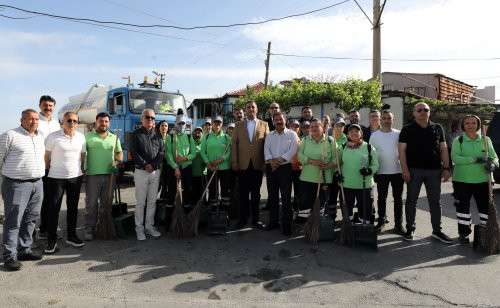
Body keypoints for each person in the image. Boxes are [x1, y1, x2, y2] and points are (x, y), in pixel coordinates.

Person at [398, 102, 452, 243]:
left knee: (435, 202)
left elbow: (444, 149)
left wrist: (446, 168)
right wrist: (404, 170)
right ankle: (410, 229)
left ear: (429, 112)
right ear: (414, 113)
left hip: (434, 171)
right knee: (411, 201)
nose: (423, 111)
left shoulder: (438, 128)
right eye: (419, 110)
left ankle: (437, 231)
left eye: (426, 109)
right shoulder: (407, 129)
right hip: (414, 171)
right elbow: (401, 151)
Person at [0, 109, 45, 271]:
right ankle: (9, 256)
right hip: (16, 184)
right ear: (22, 120)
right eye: (30, 119)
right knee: (13, 221)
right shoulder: (10, 135)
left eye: (36, 119)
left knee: (31, 218)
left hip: (37, 183)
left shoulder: (40, 137)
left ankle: (24, 249)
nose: (34, 121)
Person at [451, 115, 498, 244]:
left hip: (483, 180)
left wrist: (493, 164)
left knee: (484, 209)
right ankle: (464, 234)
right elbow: (455, 158)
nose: (470, 125)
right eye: (467, 123)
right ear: (463, 126)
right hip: (462, 181)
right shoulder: (458, 140)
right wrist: (475, 159)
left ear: (478, 125)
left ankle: (484, 233)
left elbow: (495, 157)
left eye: (473, 123)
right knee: (463, 209)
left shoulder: (486, 140)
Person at [44, 112, 86, 254]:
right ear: (63, 122)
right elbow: (46, 157)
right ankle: (51, 240)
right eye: (69, 120)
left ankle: (72, 236)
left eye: (75, 121)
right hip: (56, 178)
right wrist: (50, 170)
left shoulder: (81, 137)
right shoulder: (53, 137)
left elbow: (82, 155)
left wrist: (80, 170)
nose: (72, 123)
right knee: (53, 209)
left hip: (75, 177)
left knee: (73, 207)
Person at [84, 112, 123, 241]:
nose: (104, 124)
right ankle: (89, 228)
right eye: (101, 121)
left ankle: (104, 226)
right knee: (91, 204)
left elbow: (119, 153)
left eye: (106, 121)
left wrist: (116, 162)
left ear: (109, 123)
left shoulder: (114, 137)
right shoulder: (87, 137)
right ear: (96, 122)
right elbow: (82, 155)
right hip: (92, 175)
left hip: (109, 175)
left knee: (106, 203)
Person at [231, 101, 269, 229]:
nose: (250, 109)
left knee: (256, 195)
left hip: (258, 165)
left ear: (257, 109)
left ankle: (256, 220)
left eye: (253, 107)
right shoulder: (238, 125)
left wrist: (265, 161)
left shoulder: (264, 124)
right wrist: (235, 162)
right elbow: (234, 144)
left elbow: (267, 145)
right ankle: (242, 219)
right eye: (248, 107)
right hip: (242, 165)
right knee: (242, 194)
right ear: (245, 110)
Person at [129, 109, 164, 241]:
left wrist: (153, 165)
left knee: (152, 202)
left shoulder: (158, 135)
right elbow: (134, 152)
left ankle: (149, 226)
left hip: (155, 172)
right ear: (142, 119)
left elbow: (161, 152)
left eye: (153, 118)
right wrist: (145, 165)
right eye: (148, 117)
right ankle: (139, 229)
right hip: (141, 172)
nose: (151, 120)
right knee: (140, 202)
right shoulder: (136, 134)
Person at [369, 110, 405, 234]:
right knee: (382, 198)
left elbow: (403, 152)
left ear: (392, 120)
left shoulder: (399, 134)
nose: (386, 120)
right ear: (380, 120)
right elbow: (371, 154)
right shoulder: (374, 136)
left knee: (398, 199)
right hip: (381, 172)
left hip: (397, 171)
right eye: (384, 118)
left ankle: (398, 225)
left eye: (388, 118)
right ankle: (381, 222)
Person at [264, 112, 298, 235]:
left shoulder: (292, 134)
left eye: (280, 119)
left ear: (285, 120)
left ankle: (286, 225)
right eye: (276, 119)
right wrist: (272, 162)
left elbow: (293, 150)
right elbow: (266, 150)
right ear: (273, 121)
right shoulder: (269, 135)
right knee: (272, 197)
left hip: (285, 169)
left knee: (286, 198)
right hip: (271, 168)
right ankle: (273, 222)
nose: (278, 121)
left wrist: (278, 161)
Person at [340, 124, 379, 223]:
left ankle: (363, 229)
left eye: (356, 131)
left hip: (364, 185)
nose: (354, 133)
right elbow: (338, 163)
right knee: (347, 212)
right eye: (351, 132)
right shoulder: (343, 147)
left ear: (361, 133)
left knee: (365, 213)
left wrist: (369, 170)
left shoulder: (369, 147)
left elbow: (375, 165)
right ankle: (348, 230)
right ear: (348, 135)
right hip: (347, 184)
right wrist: (337, 173)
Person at [298, 119, 336, 216]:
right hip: (306, 179)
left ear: (322, 128)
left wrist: (327, 166)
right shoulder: (305, 140)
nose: (314, 128)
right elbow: (299, 155)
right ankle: (305, 226)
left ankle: (317, 226)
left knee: (320, 205)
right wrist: (312, 161)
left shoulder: (330, 141)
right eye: (312, 127)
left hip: (323, 179)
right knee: (305, 205)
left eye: (316, 126)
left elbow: (337, 160)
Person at [37, 95, 61, 240]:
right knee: (41, 199)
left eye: (51, 105)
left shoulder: (56, 123)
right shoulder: (36, 121)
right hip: (40, 166)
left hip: (54, 166)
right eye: (45, 105)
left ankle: (50, 226)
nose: (48, 108)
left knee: (53, 198)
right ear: (40, 105)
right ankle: (42, 229)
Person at [166, 111, 196, 209]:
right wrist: (175, 167)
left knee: (188, 190)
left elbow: (193, 153)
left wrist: (185, 158)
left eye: (183, 123)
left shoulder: (188, 136)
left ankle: (186, 214)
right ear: (176, 124)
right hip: (173, 168)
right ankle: (171, 216)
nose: (182, 125)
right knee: (172, 191)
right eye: (180, 123)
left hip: (186, 167)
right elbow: (168, 154)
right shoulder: (170, 137)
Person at [201, 116, 232, 213]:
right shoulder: (206, 137)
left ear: (222, 124)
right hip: (211, 167)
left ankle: (225, 211)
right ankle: (214, 210)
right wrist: (208, 163)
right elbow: (203, 152)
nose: (217, 124)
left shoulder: (226, 137)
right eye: (215, 123)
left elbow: (229, 152)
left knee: (225, 189)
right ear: (212, 124)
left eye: (219, 123)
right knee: (213, 189)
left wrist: (221, 160)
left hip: (224, 167)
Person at [328, 117, 348, 221]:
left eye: (341, 125)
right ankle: (331, 217)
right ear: (333, 127)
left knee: (344, 197)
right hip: (331, 173)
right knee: (332, 196)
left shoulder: (348, 139)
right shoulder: (329, 139)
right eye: (337, 125)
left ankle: (346, 218)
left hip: (343, 173)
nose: (339, 128)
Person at [191, 127, 206, 207]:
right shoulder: (191, 142)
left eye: (199, 132)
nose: (197, 133)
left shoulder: (204, 143)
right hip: (192, 173)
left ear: (202, 134)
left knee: (202, 193)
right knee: (193, 193)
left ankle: (201, 210)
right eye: (196, 131)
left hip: (202, 173)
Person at [157, 121, 169, 200]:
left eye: (165, 126)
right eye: (162, 125)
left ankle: (163, 198)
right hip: (158, 164)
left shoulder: (170, 138)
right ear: (159, 127)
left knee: (165, 182)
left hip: (168, 163)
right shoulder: (155, 138)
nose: (164, 127)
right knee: (157, 183)